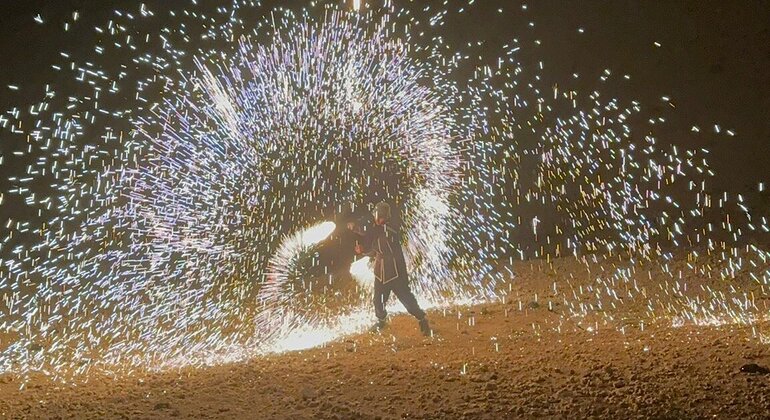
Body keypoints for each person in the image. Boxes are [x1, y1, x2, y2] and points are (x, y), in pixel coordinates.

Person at [353, 201, 432, 336]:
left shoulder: (390, 229)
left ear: (383, 216)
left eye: (378, 216)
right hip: (380, 271)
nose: (376, 218)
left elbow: (380, 241)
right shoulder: (378, 228)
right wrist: (362, 248)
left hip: (395, 272)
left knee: (407, 299)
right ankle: (381, 321)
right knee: (378, 300)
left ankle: (422, 319)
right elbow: (375, 248)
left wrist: (360, 234)